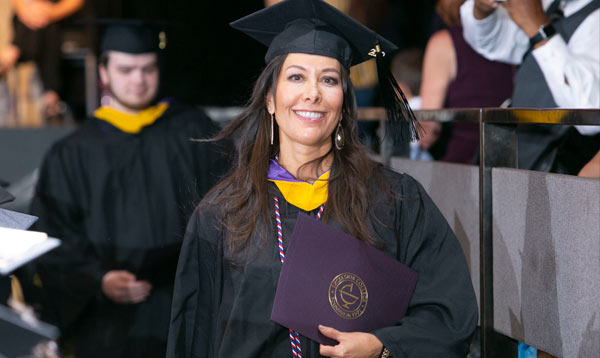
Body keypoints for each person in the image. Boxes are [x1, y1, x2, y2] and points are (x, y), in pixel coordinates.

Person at [167, 1, 478, 357]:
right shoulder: (222, 214)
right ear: (270, 98)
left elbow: (449, 314)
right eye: (296, 77)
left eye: (328, 80)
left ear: (344, 102)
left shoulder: (394, 201)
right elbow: (194, 337)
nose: (312, 93)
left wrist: (382, 346)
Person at [26, 21, 229, 358]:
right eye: (126, 69)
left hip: (184, 308)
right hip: (106, 323)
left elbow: (228, 211)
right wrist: (98, 279)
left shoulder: (194, 131)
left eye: (147, 68)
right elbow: (53, 235)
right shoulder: (73, 152)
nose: (138, 79)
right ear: (103, 72)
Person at [460, 0, 600, 172]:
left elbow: (590, 116)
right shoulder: (552, 5)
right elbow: (492, 43)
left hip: (562, 173)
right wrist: (482, 10)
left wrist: (537, 28)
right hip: (521, 158)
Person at [419, 0, 515, 164]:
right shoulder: (519, 40)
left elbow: (427, 128)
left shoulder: (444, 43)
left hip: (463, 168)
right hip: (515, 165)